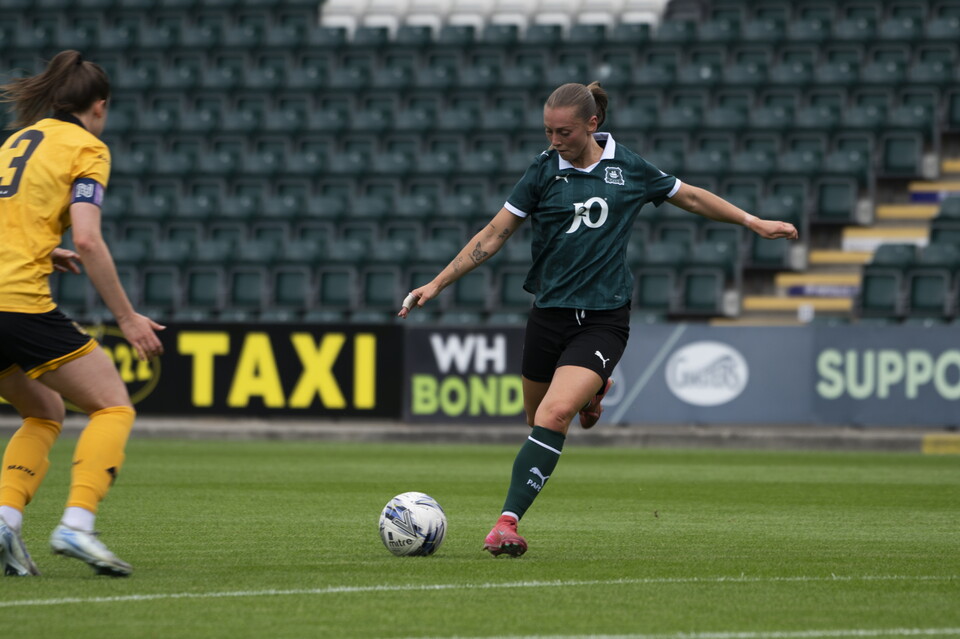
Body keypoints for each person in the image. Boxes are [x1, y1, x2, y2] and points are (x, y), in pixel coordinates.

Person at [398, 82, 798, 558]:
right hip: (548, 315)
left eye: (563, 131)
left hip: (604, 318)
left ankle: (506, 523)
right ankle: (592, 398)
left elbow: (689, 196)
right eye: (547, 131)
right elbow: (493, 234)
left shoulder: (628, 167)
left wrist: (754, 223)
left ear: (592, 124)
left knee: (552, 414)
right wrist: (436, 283)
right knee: (536, 421)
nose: (553, 140)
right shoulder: (542, 172)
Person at [0, 50, 164, 577]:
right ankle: (76, 524)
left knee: (44, 412)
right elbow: (90, 240)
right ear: (99, 105)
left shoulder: (14, 143)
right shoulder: (87, 147)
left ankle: (4, 520)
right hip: (18, 303)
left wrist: (45, 248)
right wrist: (128, 317)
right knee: (113, 405)